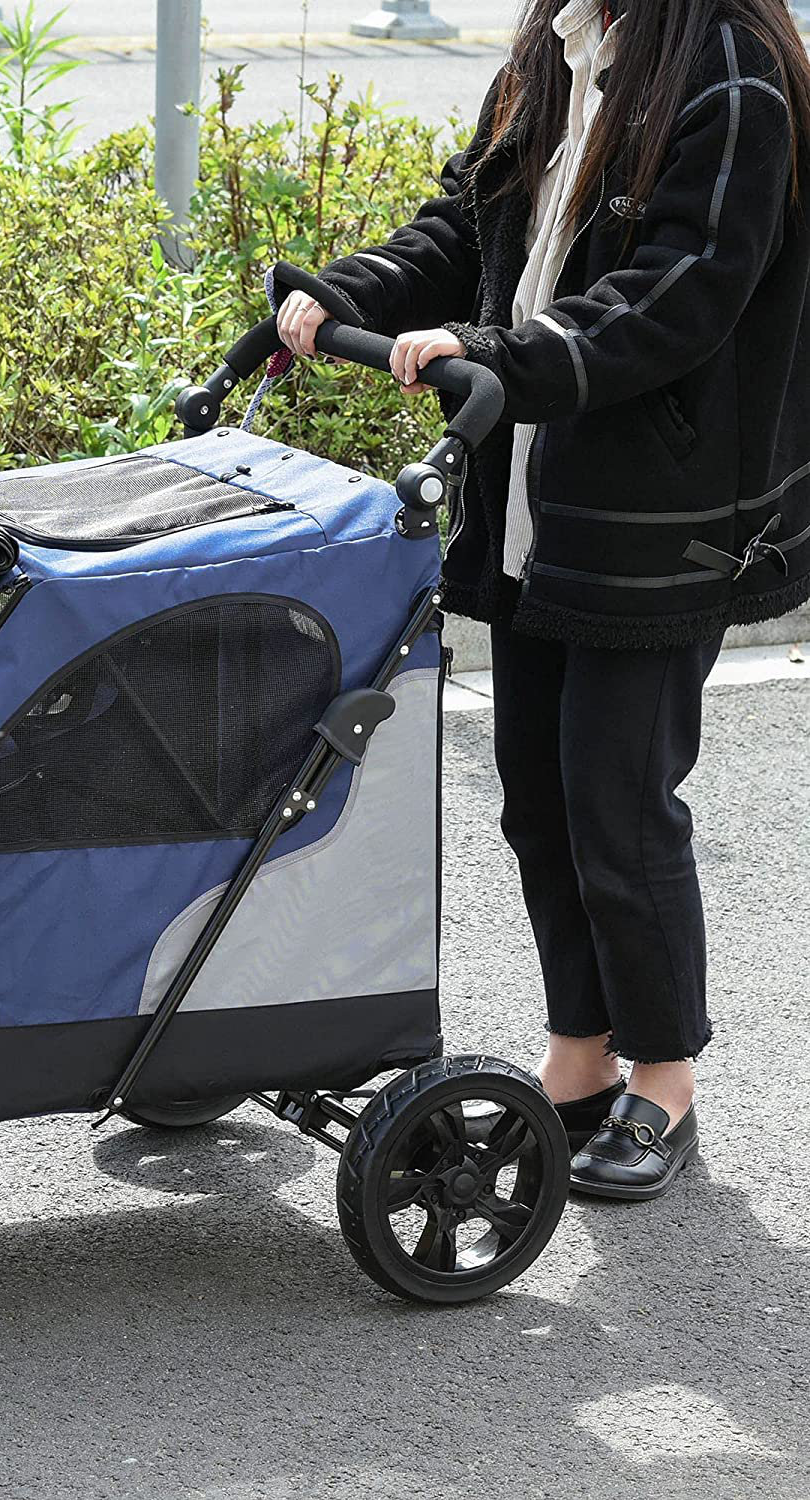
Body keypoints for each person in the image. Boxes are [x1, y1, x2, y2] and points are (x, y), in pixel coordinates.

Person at [277, 0, 810, 1200]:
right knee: (537, 796)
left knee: (618, 803)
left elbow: (681, 294)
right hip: (534, 498)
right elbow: (465, 224)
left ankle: (663, 1077)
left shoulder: (732, 70)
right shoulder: (555, 49)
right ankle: (578, 1057)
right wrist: (346, 295)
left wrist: (495, 355)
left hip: (658, 517)